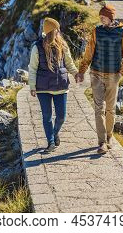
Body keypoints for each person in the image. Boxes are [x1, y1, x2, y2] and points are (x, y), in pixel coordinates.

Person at [77, 4, 123, 154]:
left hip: (113, 76)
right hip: (96, 74)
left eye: (103, 17)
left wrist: (120, 74)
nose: (101, 19)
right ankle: (101, 142)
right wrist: (81, 71)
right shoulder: (96, 31)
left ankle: (109, 137)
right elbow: (88, 54)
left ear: (111, 17)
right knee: (98, 108)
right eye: (100, 17)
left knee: (110, 109)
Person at [28, 17, 79, 153]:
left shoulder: (63, 45)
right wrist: (32, 86)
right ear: (51, 31)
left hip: (60, 86)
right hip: (43, 87)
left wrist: (76, 73)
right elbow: (32, 68)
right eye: (56, 29)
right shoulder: (37, 47)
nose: (58, 31)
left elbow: (69, 62)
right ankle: (50, 142)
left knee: (61, 116)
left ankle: (55, 133)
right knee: (47, 116)